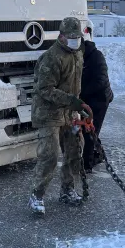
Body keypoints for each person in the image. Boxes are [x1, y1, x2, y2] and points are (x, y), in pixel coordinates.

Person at [29, 17, 92, 215]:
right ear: (61, 37)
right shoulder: (51, 57)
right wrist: (71, 100)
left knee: (75, 150)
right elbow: (45, 89)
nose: (76, 40)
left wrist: (77, 106)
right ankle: (37, 195)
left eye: (78, 37)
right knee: (50, 154)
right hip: (49, 113)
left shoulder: (77, 54)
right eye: (71, 37)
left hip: (69, 112)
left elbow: (75, 84)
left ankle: (67, 190)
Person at [80, 23, 113, 172]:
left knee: (90, 133)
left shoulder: (96, 57)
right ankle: (98, 154)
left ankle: (87, 164)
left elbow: (100, 81)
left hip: (100, 100)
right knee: (89, 130)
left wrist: (82, 93)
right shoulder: (84, 58)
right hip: (89, 100)